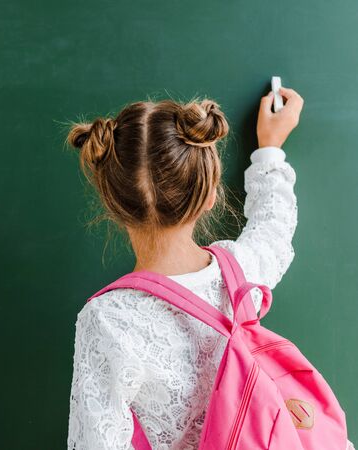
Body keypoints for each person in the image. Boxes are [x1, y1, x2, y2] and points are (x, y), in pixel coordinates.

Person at [65, 87, 354, 449]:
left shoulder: (109, 319)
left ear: (112, 202)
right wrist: (269, 148)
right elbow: (273, 226)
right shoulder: (240, 267)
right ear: (210, 195)